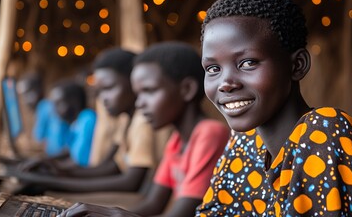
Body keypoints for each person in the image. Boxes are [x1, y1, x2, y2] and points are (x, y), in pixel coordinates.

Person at [193, 0, 352, 216]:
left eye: (248, 63)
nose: (225, 83)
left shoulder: (325, 131)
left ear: (297, 65)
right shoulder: (245, 143)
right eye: (213, 68)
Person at [59, 42, 230, 217]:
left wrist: (117, 215)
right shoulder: (177, 140)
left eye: (149, 91)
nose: (139, 103)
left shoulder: (210, 133)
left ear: (187, 89)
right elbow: (153, 204)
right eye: (138, 93)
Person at [13, 47, 171, 196]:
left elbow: (130, 182)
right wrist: (60, 171)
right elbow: (110, 167)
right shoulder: (125, 120)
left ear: (134, 83)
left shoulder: (142, 122)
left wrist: (51, 181)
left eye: (109, 88)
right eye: (99, 92)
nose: (103, 99)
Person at [17, 72, 70, 156]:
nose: (24, 100)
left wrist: (22, 144)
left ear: (37, 91)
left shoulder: (43, 108)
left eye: (26, 94)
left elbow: (38, 141)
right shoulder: (47, 105)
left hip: (57, 157)